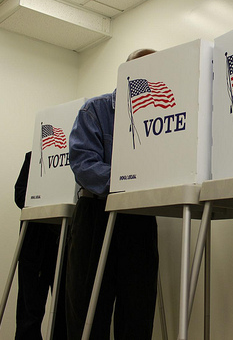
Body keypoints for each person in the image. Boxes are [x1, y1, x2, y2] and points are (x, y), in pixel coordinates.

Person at [66, 49, 159, 339]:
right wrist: (131, 178)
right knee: (88, 315)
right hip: (97, 215)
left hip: (139, 218)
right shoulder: (96, 110)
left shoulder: (162, 115)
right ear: (125, 72)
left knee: (138, 315)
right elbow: (84, 165)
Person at [14, 151, 67, 340]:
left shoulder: (71, 158)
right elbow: (20, 196)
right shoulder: (33, 157)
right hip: (35, 244)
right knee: (29, 312)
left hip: (64, 242)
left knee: (64, 313)